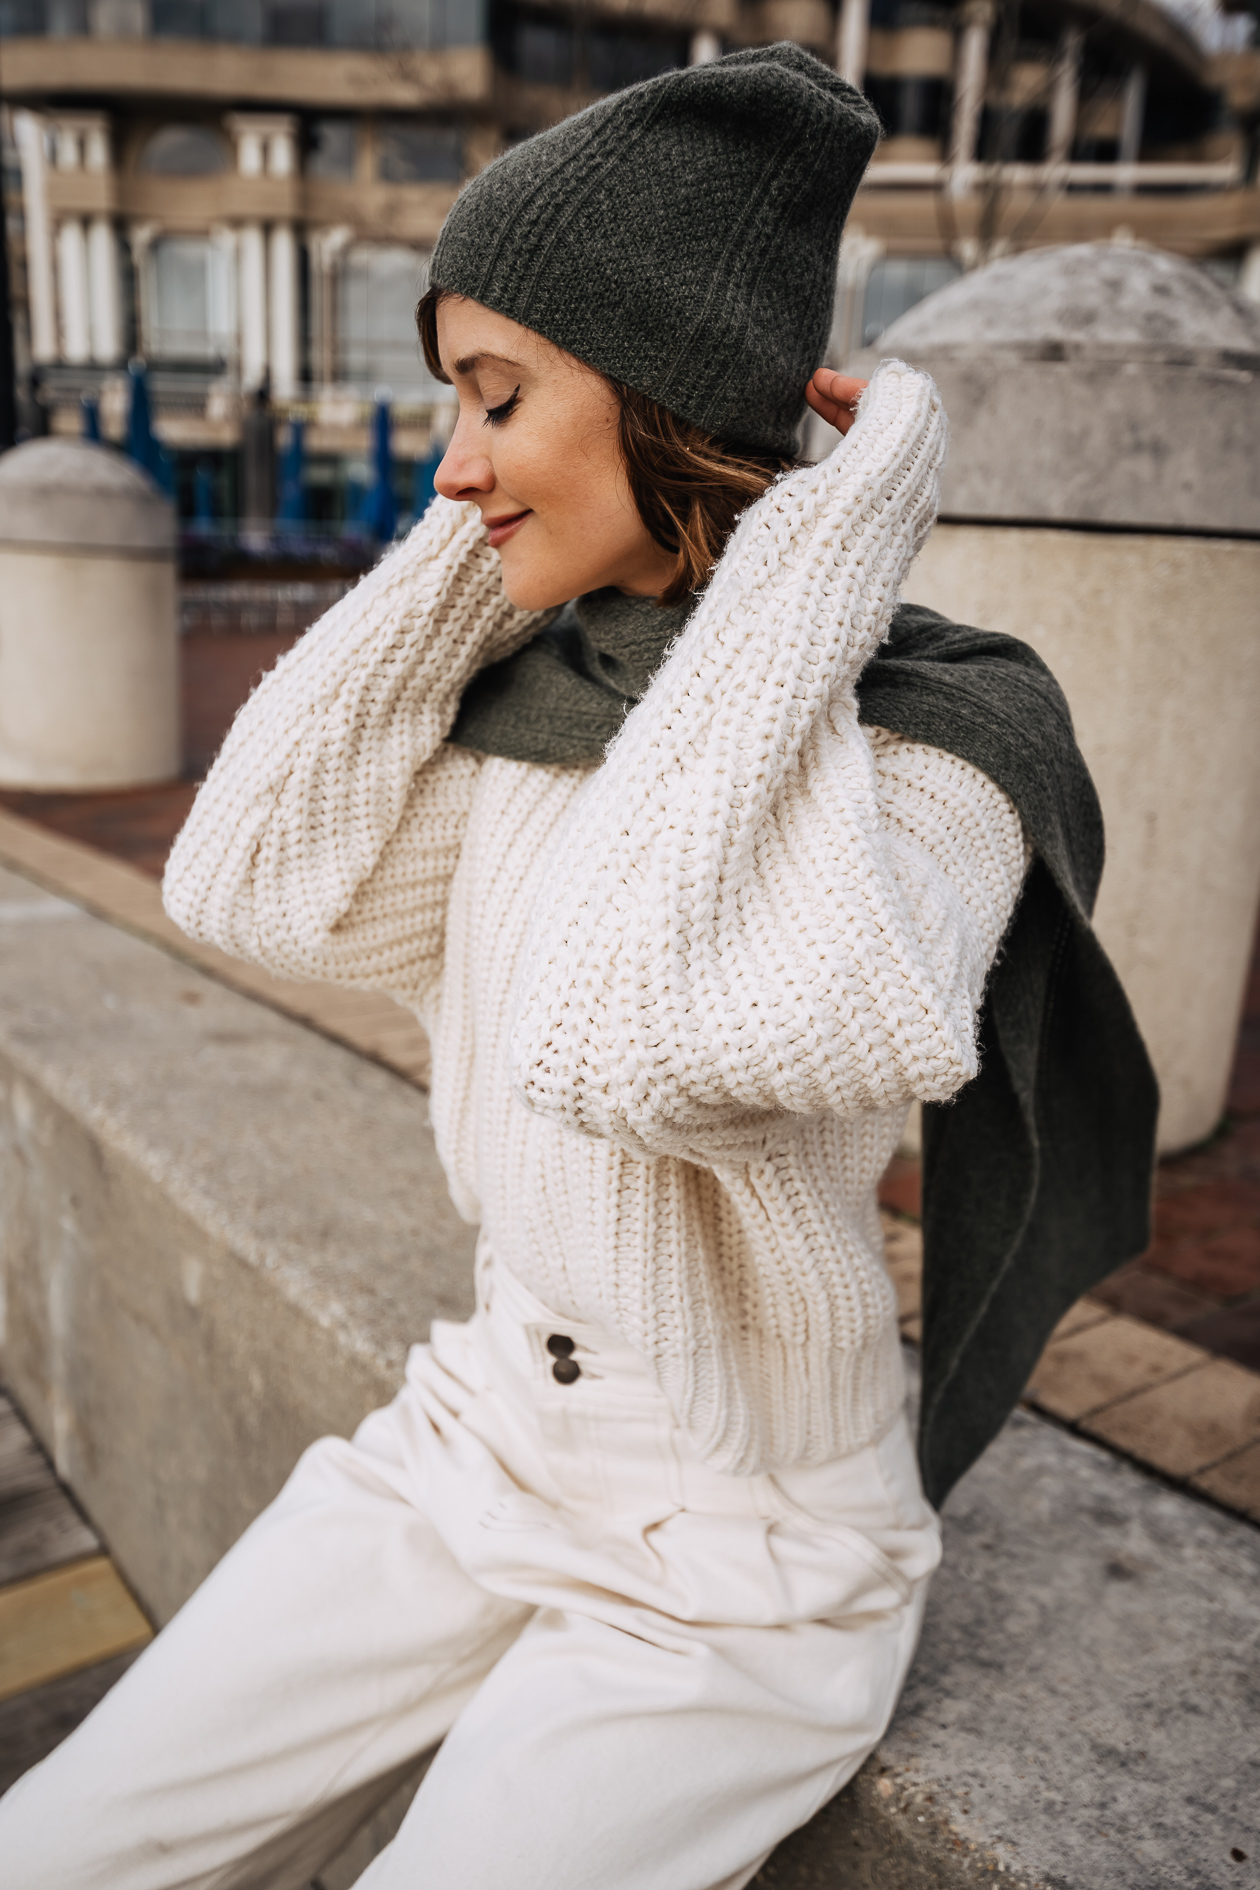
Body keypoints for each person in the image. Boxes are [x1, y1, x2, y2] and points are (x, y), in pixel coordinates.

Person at [0, 42, 1154, 1890]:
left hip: (742, 1557)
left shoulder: (936, 738)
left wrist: (812, 547)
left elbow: (680, 1035)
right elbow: (251, 882)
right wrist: (499, 545)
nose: (454, 465)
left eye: (498, 396)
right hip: (472, 1444)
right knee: (52, 1846)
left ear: (665, 393)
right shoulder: (532, 692)